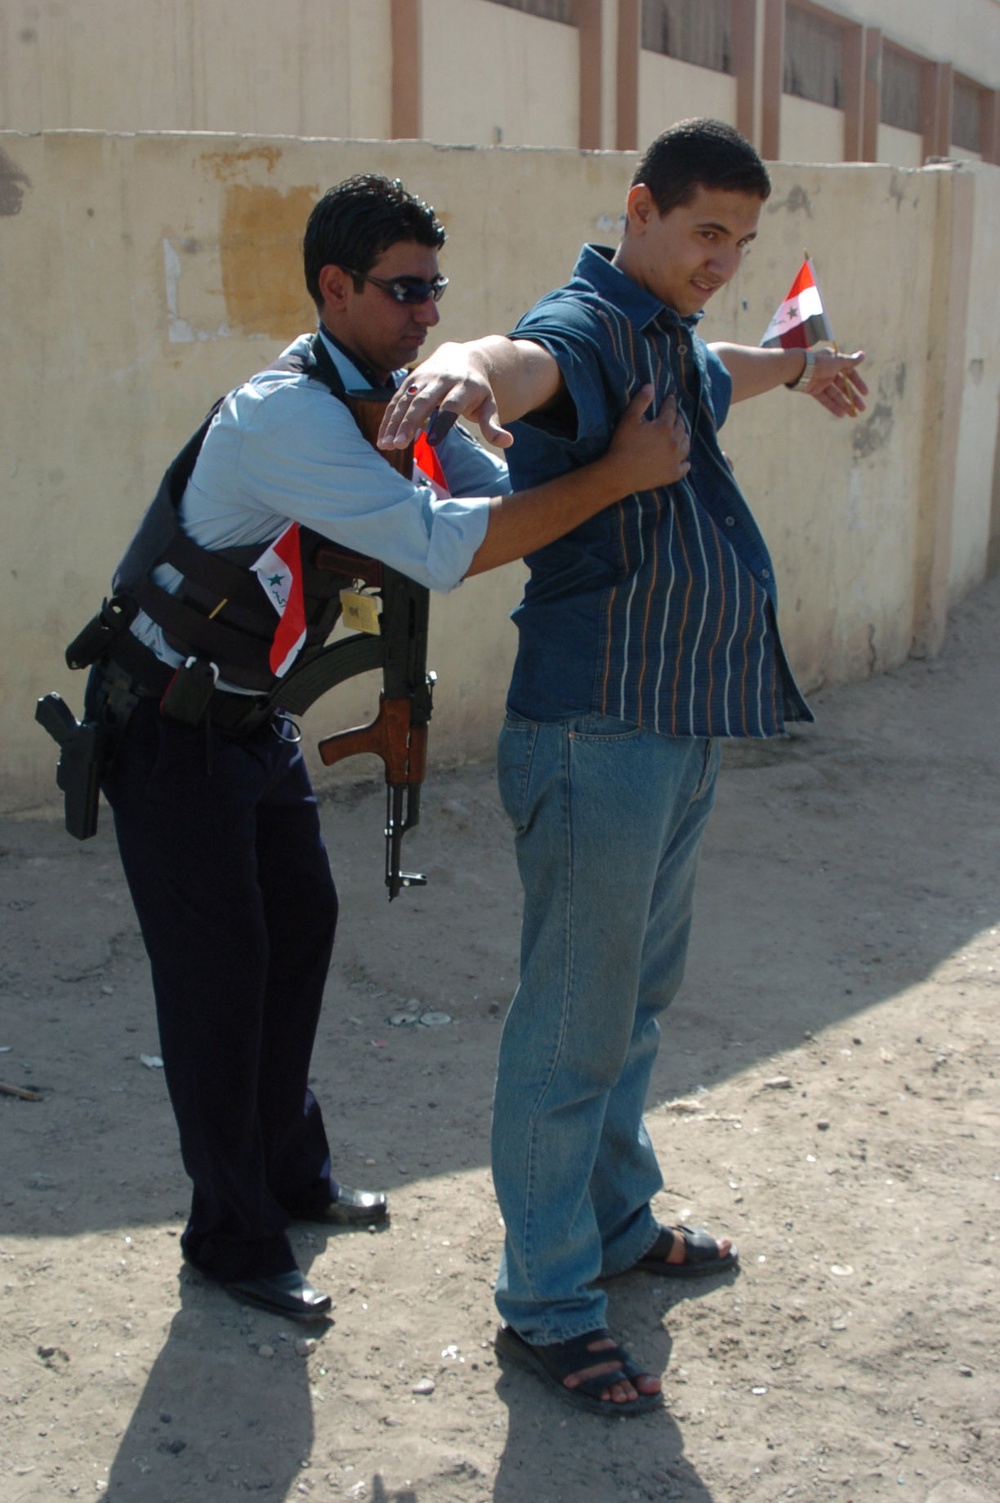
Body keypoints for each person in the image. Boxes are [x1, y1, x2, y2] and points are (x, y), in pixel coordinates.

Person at [78, 174, 692, 1325]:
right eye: (403, 291)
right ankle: (231, 1236)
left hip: (246, 723)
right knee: (220, 984)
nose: (425, 313)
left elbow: (488, 492)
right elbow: (441, 546)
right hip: (167, 730)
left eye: (434, 290)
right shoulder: (288, 415)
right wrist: (616, 475)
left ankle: (292, 1179)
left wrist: (511, 428)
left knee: (296, 938)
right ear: (333, 288)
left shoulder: (391, 396)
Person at [379, 120, 869, 1412]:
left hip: (671, 722)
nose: (723, 261)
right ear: (640, 208)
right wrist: (462, 374)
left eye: (742, 244)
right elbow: (523, 360)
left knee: (634, 1001)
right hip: (596, 731)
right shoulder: (594, 324)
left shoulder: (666, 335)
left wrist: (801, 363)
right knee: (572, 1023)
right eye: (706, 233)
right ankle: (545, 1299)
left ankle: (613, 1222)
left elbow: (721, 368)